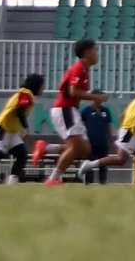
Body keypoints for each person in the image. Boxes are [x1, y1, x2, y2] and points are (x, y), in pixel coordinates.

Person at [45, 37, 106, 185]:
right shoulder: (79, 68)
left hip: (69, 109)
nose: (97, 53)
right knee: (77, 147)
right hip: (65, 109)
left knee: (85, 149)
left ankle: (46, 148)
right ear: (87, 52)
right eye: (95, 50)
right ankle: (53, 179)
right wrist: (95, 96)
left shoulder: (83, 69)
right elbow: (73, 92)